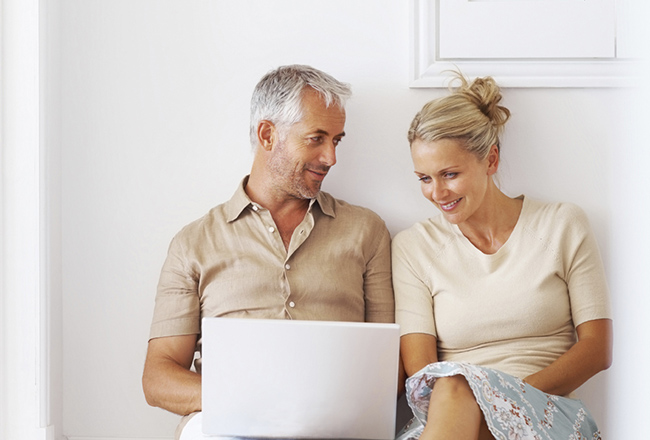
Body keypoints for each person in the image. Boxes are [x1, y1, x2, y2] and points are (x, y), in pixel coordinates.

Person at [142, 65, 394, 440]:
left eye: (336, 141)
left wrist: (312, 409)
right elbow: (158, 377)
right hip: (227, 423)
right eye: (316, 138)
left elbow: (390, 366)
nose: (330, 157)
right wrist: (249, 401)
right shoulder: (193, 244)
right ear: (267, 134)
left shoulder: (365, 231)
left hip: (333, 424)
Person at [392, 73, 613, 440]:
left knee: (458, 388)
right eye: (424, 178)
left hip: (546, 407)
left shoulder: (562, 224)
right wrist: (482, 405)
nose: (437, 192)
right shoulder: (414, 246)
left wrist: (503, 403)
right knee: (451, 385)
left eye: (449, 174)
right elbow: (422, 372)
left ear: (490, 159)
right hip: (451, 413)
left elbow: (597, 349)